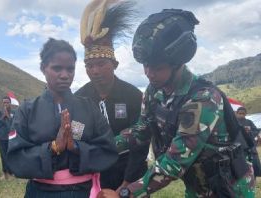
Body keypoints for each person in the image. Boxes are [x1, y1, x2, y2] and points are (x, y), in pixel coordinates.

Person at [98, 9, 255, 198]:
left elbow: (174, 162)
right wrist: (102, 147)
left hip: (229, 188)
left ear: (177, 63)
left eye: (157, 67)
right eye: (145, 65)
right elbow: (141, 130)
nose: (149, 73)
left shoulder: (203, 99)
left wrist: (125, 193)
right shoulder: (154, 91)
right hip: (197, 184)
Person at [7, 38, 118, 198]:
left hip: (82, 191)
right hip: (40, 192)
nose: (65, 75)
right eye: (57, 68)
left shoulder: (89, 107)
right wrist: (53, 147)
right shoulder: (28, 109)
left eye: (70, 69)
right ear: (44, 68)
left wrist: (76, 148)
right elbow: (15, 157)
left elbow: (108, 149)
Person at [75, 0, 148, 191]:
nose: (95, 71)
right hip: (94, 175)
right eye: (90, 66)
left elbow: (140, 143)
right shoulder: (80, 98)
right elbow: (76, 136)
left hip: (128, 173)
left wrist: (127, 184)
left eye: (101, 64)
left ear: (114, 64)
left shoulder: (132, 95)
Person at [236, 106, 261, 177]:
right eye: (240, 113)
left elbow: (256, 130)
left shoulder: (249, 122)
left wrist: (249, 132)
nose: (241, 115)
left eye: (243, 113)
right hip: (240, 147)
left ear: (245, 114)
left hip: (251, 146)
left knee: (254, 164)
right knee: (243, 166)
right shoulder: (234, 123)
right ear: (237, 113)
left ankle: (254, 177)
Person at [0, 96, 15, 180]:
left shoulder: (15, 112)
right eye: (4, 102)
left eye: (7, 102)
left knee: (11, 155)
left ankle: (12, 172)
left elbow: (16, 124)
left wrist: (9, 117)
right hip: (2, 137)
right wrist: (3, 117)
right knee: (3, 155)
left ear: (10, 103)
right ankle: (5, 173)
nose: (6, 104)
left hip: (12, 137)